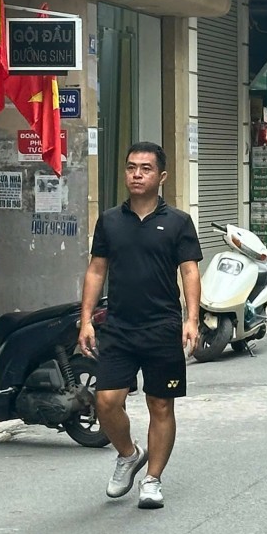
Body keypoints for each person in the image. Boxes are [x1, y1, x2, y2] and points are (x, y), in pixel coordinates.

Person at [79, 142, 203, 509]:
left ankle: (152, 480)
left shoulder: (178, 222)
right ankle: (129, 453)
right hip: (118, 325)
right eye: (131, 167)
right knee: (105, 401)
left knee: (160, 404)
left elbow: (190, 270)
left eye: (145, 168)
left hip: (162, 326)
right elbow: (96, 269)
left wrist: (191, 318)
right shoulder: (110, 221)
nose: (137, 174)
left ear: (161, 176)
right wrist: (85, 319)